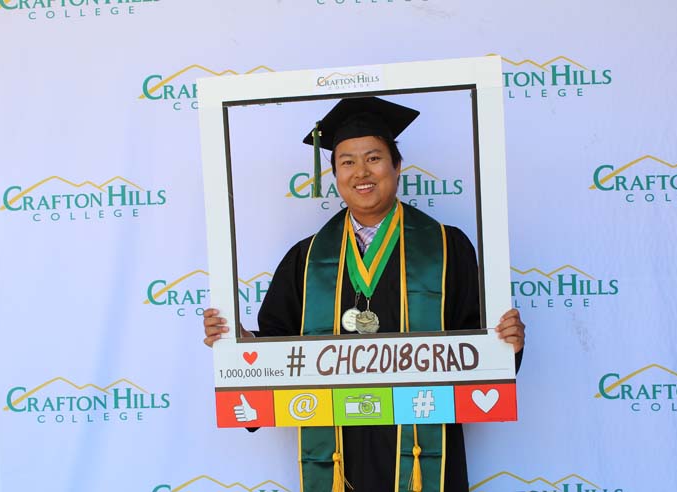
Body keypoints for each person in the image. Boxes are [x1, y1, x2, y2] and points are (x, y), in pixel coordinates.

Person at [203, 97, 525, 492]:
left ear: (397, 166)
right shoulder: (305, 259)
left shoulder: (447, 247)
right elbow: (274, 350)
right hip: (340, 447)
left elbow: (480, 347)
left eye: (373, 158)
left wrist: (506, 343)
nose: (361, 172)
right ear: (334, 174)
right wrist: (239, 344)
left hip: (424, 440)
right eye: (347, 162)